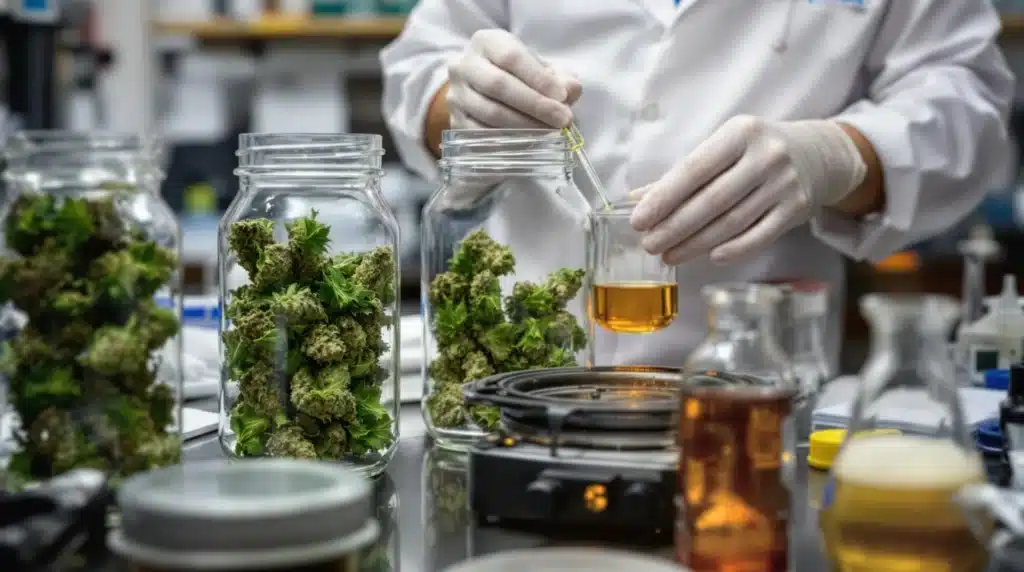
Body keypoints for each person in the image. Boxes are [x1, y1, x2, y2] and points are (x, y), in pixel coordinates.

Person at [380, 0, 1015, 367]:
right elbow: (418, 64)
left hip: (752, 382)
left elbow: (967, 100)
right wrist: (460, 107)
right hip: (514, 363)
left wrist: (840, 156)